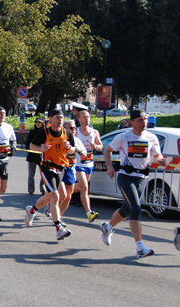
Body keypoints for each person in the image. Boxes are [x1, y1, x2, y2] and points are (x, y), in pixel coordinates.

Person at [100, 110, 166, 258]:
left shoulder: (151, 137)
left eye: (146, 119)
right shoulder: (123, 137)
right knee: (136, 208)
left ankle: (107, 226)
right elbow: (108, 150)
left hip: (142, 177)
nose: (144, 122)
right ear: (132, 122)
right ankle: (140, 247)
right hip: (126, 177)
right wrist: (110, 167)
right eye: (141, 120)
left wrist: (160, 160)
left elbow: (156, 155)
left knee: (126, 210)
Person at [25, 109, 75, 240]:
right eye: (57, 118)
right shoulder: (44, 133)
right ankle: (59, 227)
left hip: (60, 168)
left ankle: (31, 210)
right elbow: (31, 145)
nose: (60, 121)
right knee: (54, 195)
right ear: (51, 119)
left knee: (52, 197)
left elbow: (73, 150)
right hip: (47, 167)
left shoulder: (67, 133)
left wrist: (69, 147)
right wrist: (42, 149)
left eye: (62, 118)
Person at [72, 109, 102, 222]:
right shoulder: (76, 132)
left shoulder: (94, 132)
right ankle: (89, 213)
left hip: (89, 163)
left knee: (81, 188)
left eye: (88, 116)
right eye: (84, 117)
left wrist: (95, 146)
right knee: (84, 187)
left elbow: (100, 146)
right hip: (78, 163)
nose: (87, 119)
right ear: (79, 119)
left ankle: (59, 193)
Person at [57, 120, 88, 222]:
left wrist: (76, 149)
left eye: (74, 128)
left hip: (70, 169)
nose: (73, 130)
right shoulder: (59, 139)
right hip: (59, 169)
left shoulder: (76, 141)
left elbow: (84, 154)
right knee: (62, 195)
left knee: (68, 198)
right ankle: (50, 203)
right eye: (71, 128)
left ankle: (58, 217)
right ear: (65, 129)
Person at [26, 117, 46, 195]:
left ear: (43, 123)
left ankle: (43, 189)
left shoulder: (45, 132)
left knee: (43, 174)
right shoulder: (32, 132)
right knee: (31, 174)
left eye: (40, 123)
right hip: (31, 155)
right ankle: (31, 189)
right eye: (37, 122)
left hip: (41, 156)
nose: (38, 124)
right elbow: (27, 143)